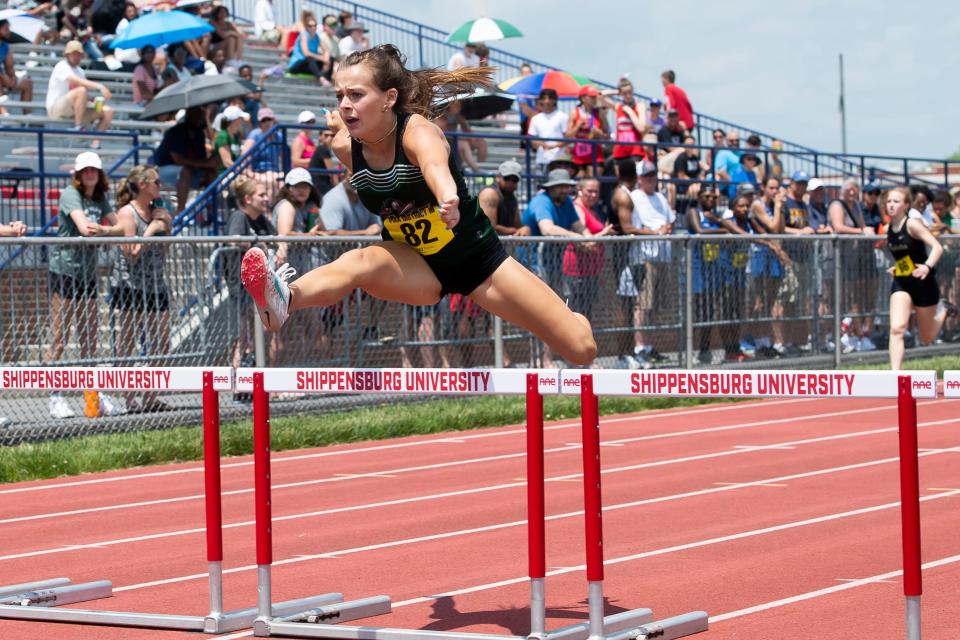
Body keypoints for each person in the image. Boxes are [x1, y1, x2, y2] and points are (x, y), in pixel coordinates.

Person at [240, 44, 598, 367]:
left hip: (479, 264)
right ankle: (283, 300)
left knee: (581, 349)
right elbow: (381, 180)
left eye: (356, 94)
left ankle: (574, 320)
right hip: (416, 265)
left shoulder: (418, 131)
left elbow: (434, 166)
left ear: (389, 98)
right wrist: (343, 130)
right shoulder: (345, 147)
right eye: (339, 96)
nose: (345, 104)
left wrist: (447, 198)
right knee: (359, 260)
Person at [47, 152, 123, 419]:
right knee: (60, 337)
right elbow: (84, 228)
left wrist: (105, 231)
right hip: (65, 271)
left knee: (89, 337)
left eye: (94, 169)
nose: (90, 173)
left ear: (100, 174)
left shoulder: (100, 198)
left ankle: (92, 395)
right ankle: (55, 396)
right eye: (85, 170)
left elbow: (123, 227)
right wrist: (106, 232)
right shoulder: (71, 194)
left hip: (89, 275)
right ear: (78, 174)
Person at [111, 165, 172, 413]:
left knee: (162, 342)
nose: (160, 186)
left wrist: (166, 227)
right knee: (128, 342)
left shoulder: (157, 211)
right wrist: (151, 230)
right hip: (131, 286)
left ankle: (150, 395)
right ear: (143, 185)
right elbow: (131, 254)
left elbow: (164, 251)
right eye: (156, 182)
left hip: (156, 284)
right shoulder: (127, 213)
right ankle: (128, 398)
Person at [885, 186, 955, 369]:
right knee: (897, 328)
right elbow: (907, 257)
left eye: (896, 202)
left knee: (927, 337)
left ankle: (944, 309)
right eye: (889, 201)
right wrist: (898, 268)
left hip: (924, 284)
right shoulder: (889, 228)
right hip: (902, 282)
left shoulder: (913, 224)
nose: (891, 205)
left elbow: (936, 247)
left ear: (906, 205)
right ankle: (895, 376)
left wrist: (926, 266)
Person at [619, 160, 674, 367]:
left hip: (663, 255)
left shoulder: (660, 197)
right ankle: (639, 347)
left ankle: (649, 347)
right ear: (639, 178)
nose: (652, 178)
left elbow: (671, 219)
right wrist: (654, 232)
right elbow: (629, 227)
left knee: (655, 307)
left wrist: (667, 228)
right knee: (642, 305)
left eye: (654, 175)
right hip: (644, 257)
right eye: (648, 175)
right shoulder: (634, 197)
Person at [227, 178, 277, 375]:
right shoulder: (239, 216)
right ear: (248, 199)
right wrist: (256, 246)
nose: (266, 199)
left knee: (260, 331)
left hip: (259, 282)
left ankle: (252, 377)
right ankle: (238, 380)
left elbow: (275, 239)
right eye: (261, 195)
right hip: (240, 282)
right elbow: (234, 239)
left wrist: (280, 247)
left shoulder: (262, 219)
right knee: (244, 335)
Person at [828, 178, 877, 353]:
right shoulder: (837, 205)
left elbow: (863, 225)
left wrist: (865, 230)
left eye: (855, 188)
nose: (852, 191)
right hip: (837, 259)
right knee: (842, 298)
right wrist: (861, 231)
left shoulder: (856, 207)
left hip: (854, 259)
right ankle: (841, 335)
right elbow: (838, 226)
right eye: (849, 188)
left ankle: (858, 335)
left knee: (856, 298)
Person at [563, 176, 613, 321]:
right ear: (579, 190)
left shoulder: (592, 210)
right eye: (589, 191)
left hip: (591, 271)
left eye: (596, 192)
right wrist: (605, 232)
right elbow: (585, 242)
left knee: (586, 314)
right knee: (576, 314)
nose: (593, 195)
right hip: (577, 272)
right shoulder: (578, 209)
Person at [687, 188, 727, 363]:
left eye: (714, 197)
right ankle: (690, 351)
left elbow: (731, 227)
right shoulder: (693, 212)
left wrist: (719, 222)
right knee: (698, 310)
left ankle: (705, 349)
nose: (711, 199)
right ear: (699, 197)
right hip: (697, 269)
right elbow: (699, 231)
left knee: (710, 311)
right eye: (707, 196)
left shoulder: (716, 217)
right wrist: (723, 231)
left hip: (713, 269)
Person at [155, 107, 217, 213]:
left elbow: (201, 159)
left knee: (210, 173)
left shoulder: (199, 134)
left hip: (188, 170)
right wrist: (207, 163)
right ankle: (181, 212)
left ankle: (212, 213)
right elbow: (178, 160)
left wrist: (210, 162)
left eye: (201, 116)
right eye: (196, 115)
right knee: (186, 171)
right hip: (163, 169)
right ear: (189, 116)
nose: (199, 118)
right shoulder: (175, 132)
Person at [46, 40, 114, 137]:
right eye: (74, 54)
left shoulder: (80, 71)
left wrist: (92, 100)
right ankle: (78, 127)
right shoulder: (61, 66)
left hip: (74, 111)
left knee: (108, 111)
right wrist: (100, 86)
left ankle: (95, 143)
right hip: (56, 109)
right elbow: (77, 82)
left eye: (79, 54)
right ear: (67, 55)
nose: (77, 57)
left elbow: (81, 91)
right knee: (81, 91)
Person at [319, 169, 381, 235]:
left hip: (364, 244)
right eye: (352, 176)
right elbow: (331, 233)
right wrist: (365, 233)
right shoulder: (333, 199)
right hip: (336, 245)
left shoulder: (369, 197)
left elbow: (376, 225)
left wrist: (376, 228)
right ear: (343, 177)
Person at [565, 85, 608, 176]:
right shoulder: (574, 113)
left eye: (595, 97)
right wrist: (578, 126)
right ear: (583, 98)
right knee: (579, 183)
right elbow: (567, 135)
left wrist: (599, 134)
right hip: (579, 156)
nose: (594, 99)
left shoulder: (599, 113)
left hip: (595, 155)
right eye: (591, 97)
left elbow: (607, 136)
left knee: (593, 183)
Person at [478, 160, 529, 236]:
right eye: (507, 178)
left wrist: (525, 229)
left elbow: (518, 226)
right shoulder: (489, 193)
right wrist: (514, 231)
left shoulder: (512, 198)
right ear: (498, 177)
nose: (511, 182)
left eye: (515, 180)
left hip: (500, 245)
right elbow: (489, 228)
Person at [242, 107, 282, 199]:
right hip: (258, 172)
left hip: (274, 172)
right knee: (271, 183)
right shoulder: (255, 134)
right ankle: (269, 211)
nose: (267, 122)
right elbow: (245, 155)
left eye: (269, 119)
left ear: (273, 120)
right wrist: (249, 172)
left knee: (287, 183)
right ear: (260, 122)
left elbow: (285, 157)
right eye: (264, 120)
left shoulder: (279, 136)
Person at [527, 88, 567, 174]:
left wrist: (553, 146)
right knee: (541, 185)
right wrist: (542, 144)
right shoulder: (535, 119)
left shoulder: (562, 116)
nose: (547, 101)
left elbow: (567, 138)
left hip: (559, 159)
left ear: (555, 100)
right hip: (542, 159)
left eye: (550, 98)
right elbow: (532, 139)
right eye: (544, 98)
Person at [607, 77, 645, 161]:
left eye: (629, 92)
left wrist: (631, 113)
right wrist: (617, 92)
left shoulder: (639, 106)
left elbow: (642, 129)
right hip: (620, 151)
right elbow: (599, 95)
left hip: (635, 151)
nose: (628, 96)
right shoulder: (618, 107)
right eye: (624, 93)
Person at [0, 19, 34, 114]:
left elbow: (9, 66)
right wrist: (4, 78)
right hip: (1, 78)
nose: (8, 32)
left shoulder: (5, 46)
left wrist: (13, 78)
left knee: (27, 83)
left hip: (3, 77)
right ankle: (4, 114)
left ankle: (27, 117)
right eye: (6, 29)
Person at [287, 16, 330, 84]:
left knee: (331, 59)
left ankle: (327, 79)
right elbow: (306, 53)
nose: (313, 27)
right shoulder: (304, 35)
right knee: (310, 58)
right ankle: (321, 79)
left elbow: (326, 50)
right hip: (296, 65)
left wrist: (326, 60)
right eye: (310, 26)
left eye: (315, 25)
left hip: (307, 66)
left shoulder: (317, 37)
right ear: (306, 27)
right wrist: (322, 58)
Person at [214, 105, 249, 174]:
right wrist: (246, 173)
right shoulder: (223, 135)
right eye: (241, 118)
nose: (242, 121)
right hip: (224, 177)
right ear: (234, 120)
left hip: (235, 174)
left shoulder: (235, 136)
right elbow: (227, 163)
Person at [308, 127, 340, 195]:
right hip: (321, 187)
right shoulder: (323, 149)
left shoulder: (322, 149)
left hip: (319, 185)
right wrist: (338, 187)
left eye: (332, 135)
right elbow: (331, 172)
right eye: (326, 135)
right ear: (320, 137)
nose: (329, 138)